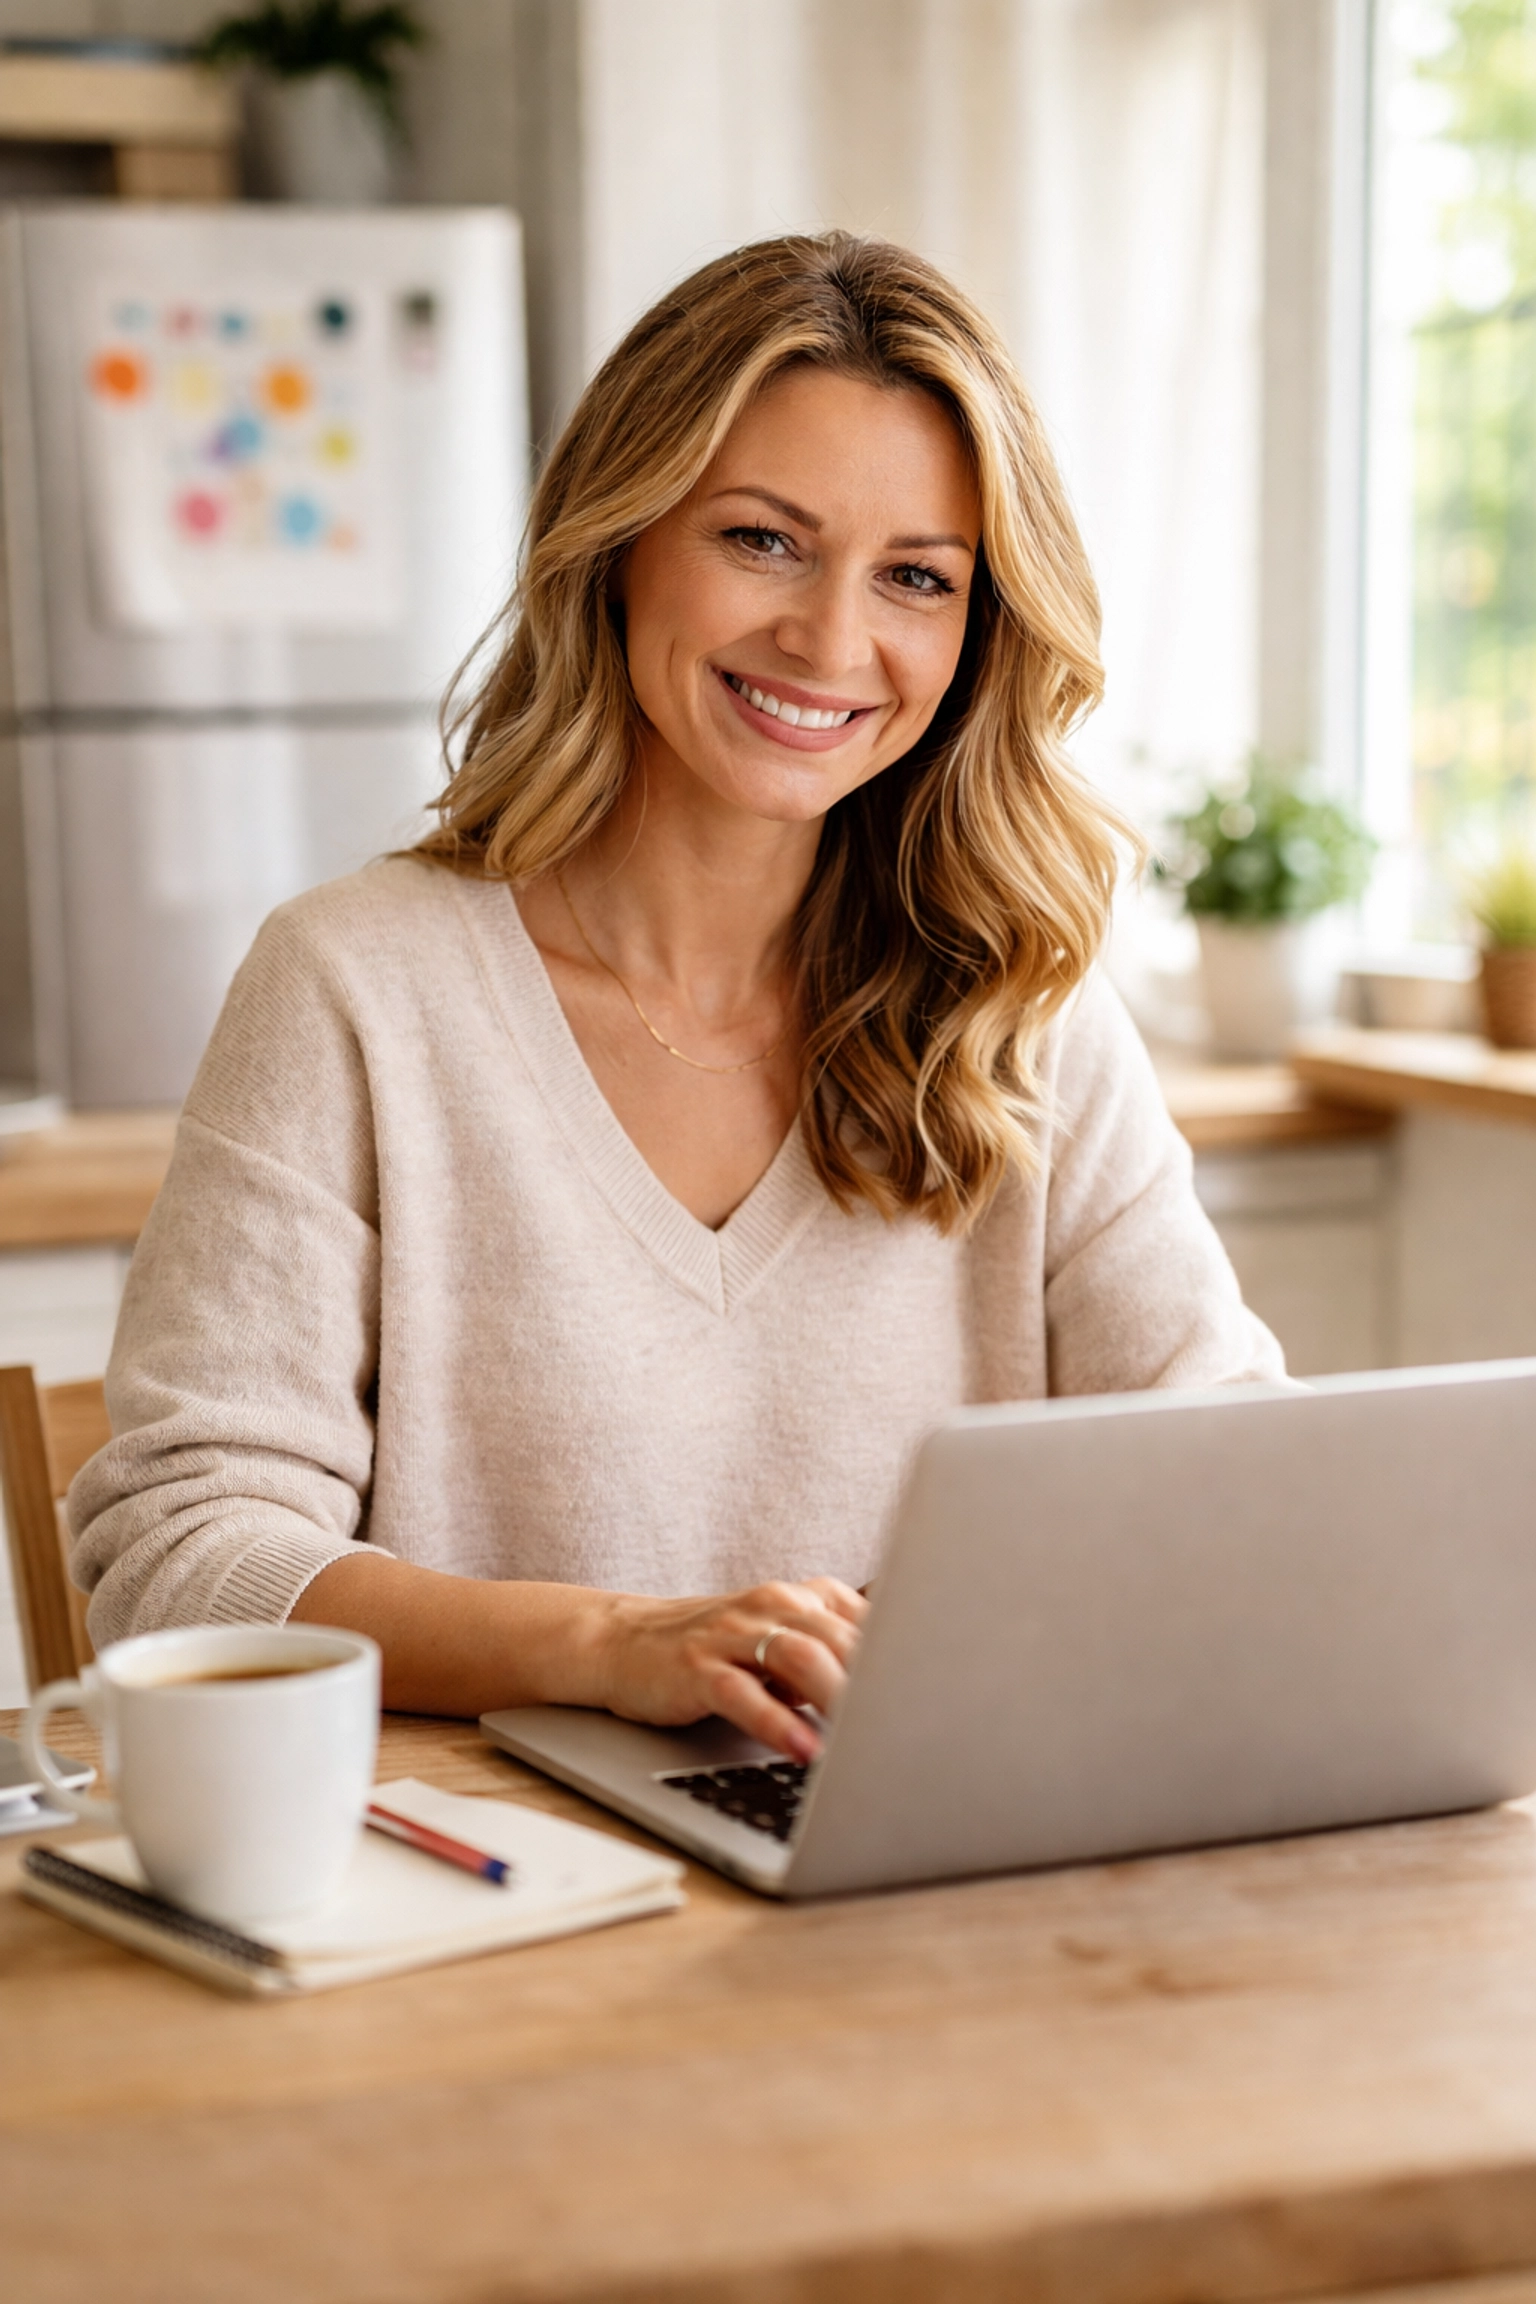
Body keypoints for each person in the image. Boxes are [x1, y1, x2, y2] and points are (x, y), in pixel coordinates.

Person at [69, 232, 1283, 1763]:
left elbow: (1241, 1478)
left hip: (926, 1888)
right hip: (500, 1923)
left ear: (976, 638)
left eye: (917, 578)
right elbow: (179, 1569)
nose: (832, 641)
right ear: (621, 537)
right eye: (762, 540)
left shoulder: (1018, 1015)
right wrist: (617, 1644)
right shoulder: (357, 987)